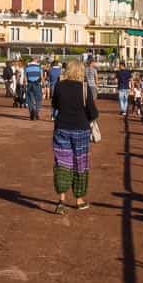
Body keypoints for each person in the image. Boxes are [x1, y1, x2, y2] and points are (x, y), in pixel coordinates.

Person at [51, 59, 99, 214]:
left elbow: (55, 105)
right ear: (80, 71)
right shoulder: (84, 88)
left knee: (62, 164)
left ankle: (61, 201)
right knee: (80, 164)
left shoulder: (59, 85)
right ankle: (79, 200)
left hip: (61, 128)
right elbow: (93, 113)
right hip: (81, 130)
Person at [23, 55, 44, 120]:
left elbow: (25, 77)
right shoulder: (39, 67)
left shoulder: (26, 67)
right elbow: (41, 76)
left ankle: (32, 112)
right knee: (38, 99)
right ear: (36, 59)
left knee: (29, 99)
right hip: (37, 84)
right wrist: (43, 84)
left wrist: (25, 84)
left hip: (29, 83)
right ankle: (36, 113)